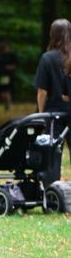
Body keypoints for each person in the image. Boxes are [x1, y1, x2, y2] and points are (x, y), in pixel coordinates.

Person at [35, 19, 71, 163]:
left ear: (52, 35)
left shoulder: (47, 58)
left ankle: (52, 184)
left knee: (52, 157)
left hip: (54, 115)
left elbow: (42, 91)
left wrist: (41, 114)